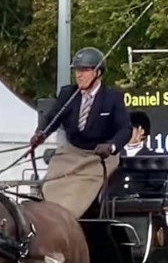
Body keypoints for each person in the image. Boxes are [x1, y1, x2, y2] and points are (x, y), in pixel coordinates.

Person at [29, 47, 132, 217]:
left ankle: (66, 220)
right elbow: (52, 118)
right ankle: (45, 219)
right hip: (71, 152)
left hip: (99, 156)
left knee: (76, 196)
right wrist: (41, 133)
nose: (79, 74)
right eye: (77, 70)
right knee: (49, 188)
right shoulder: (68, 94)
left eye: (85, 70)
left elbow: (125, 129)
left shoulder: (112, 98)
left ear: (98, 72)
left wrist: (112, 146)